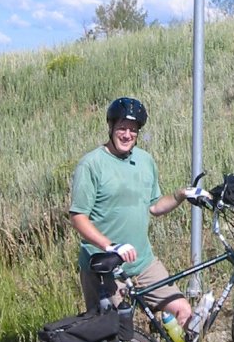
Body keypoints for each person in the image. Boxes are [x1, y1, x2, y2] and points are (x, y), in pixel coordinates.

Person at [69, 96, 207, 328]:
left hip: (143, 262)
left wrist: (181, 194)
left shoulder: (145, 161)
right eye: (122, 127)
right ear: (111, 127)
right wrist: (109, 246)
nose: (127, 135)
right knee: (111, 335)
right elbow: (78, 217)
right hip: (105, 266)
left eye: (133, 130)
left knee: (183, 311)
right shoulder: (91, 165)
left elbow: (154, 206)